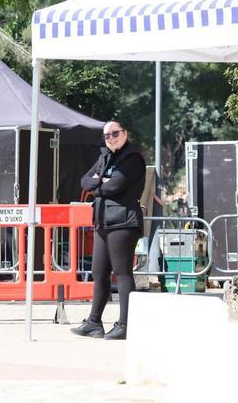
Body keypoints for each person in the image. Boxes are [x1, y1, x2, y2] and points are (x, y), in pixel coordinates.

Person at [71, 120, 146, 340]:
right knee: (99, 272)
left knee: (122, 273)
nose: (111, 138)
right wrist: (101, 183)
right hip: (102, 221)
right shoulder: (104, 156)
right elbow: (84, 181)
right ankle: (94, 322)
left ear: (125, 133)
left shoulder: (133, 158)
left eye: (115, 133)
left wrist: (100, 184)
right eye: (106, 135)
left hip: (123, 221)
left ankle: (125, 324)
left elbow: (116, 185)